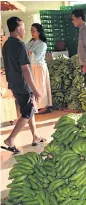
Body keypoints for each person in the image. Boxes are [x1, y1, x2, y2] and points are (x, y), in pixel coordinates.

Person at [1, 17, 46, 154]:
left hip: (13, 83)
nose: (25, 30)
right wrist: (35, 89)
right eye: (23, 27)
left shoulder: (6, 44)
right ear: (18, 28)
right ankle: (10, 139)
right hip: (23, 84)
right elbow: (25, 70)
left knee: (28, 109)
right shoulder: (20, 45)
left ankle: (35, 136)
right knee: (28, 111)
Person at [26, 23, 52, 114]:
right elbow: (25, 49)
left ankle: (44, 106)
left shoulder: (42, 44)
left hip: (39, 67)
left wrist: (30, 53)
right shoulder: (31, 42)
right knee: (34, 86)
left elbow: (36, 57)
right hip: (32, 67)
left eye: (34, 30)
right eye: (31, 30)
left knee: (41, 87)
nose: (32, 32)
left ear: (39, 32)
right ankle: (36, 105)